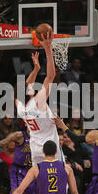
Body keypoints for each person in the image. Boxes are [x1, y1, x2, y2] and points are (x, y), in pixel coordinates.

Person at [16, 31, 64, 165]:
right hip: (50, 148)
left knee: (41, 182)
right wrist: (48, 49)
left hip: (36, 150)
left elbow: (22, 89)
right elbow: (50, 76)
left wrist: (36, 70)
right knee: (59, 182)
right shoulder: (37, 102)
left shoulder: (20, 106)